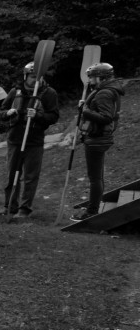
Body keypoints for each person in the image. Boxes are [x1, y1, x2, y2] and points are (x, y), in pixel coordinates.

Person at [0, 61, 60, 218]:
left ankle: (25, 209)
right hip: (15, 139)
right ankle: (10, 207)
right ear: (25, 76)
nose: (36, 80)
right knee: (12, 176)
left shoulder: (49, 93)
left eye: (39, 77)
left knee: (30, 177)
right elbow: (2, 111)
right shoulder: (15, 91)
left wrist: (37, 115)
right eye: (32, 76)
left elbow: (53, 116)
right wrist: (8, 113)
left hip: (34, 141)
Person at [72, 62, 125, 221]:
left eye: (92, 77)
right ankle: (93, 207)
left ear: (101, 77)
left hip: (97, 139)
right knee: (97, 177)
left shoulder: (104, 93)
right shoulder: (108, 90)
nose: (89, 80)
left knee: (95, 178)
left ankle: (91, 212)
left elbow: (106, 117)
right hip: (100, 137)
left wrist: (85, 111)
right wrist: (86, 106)